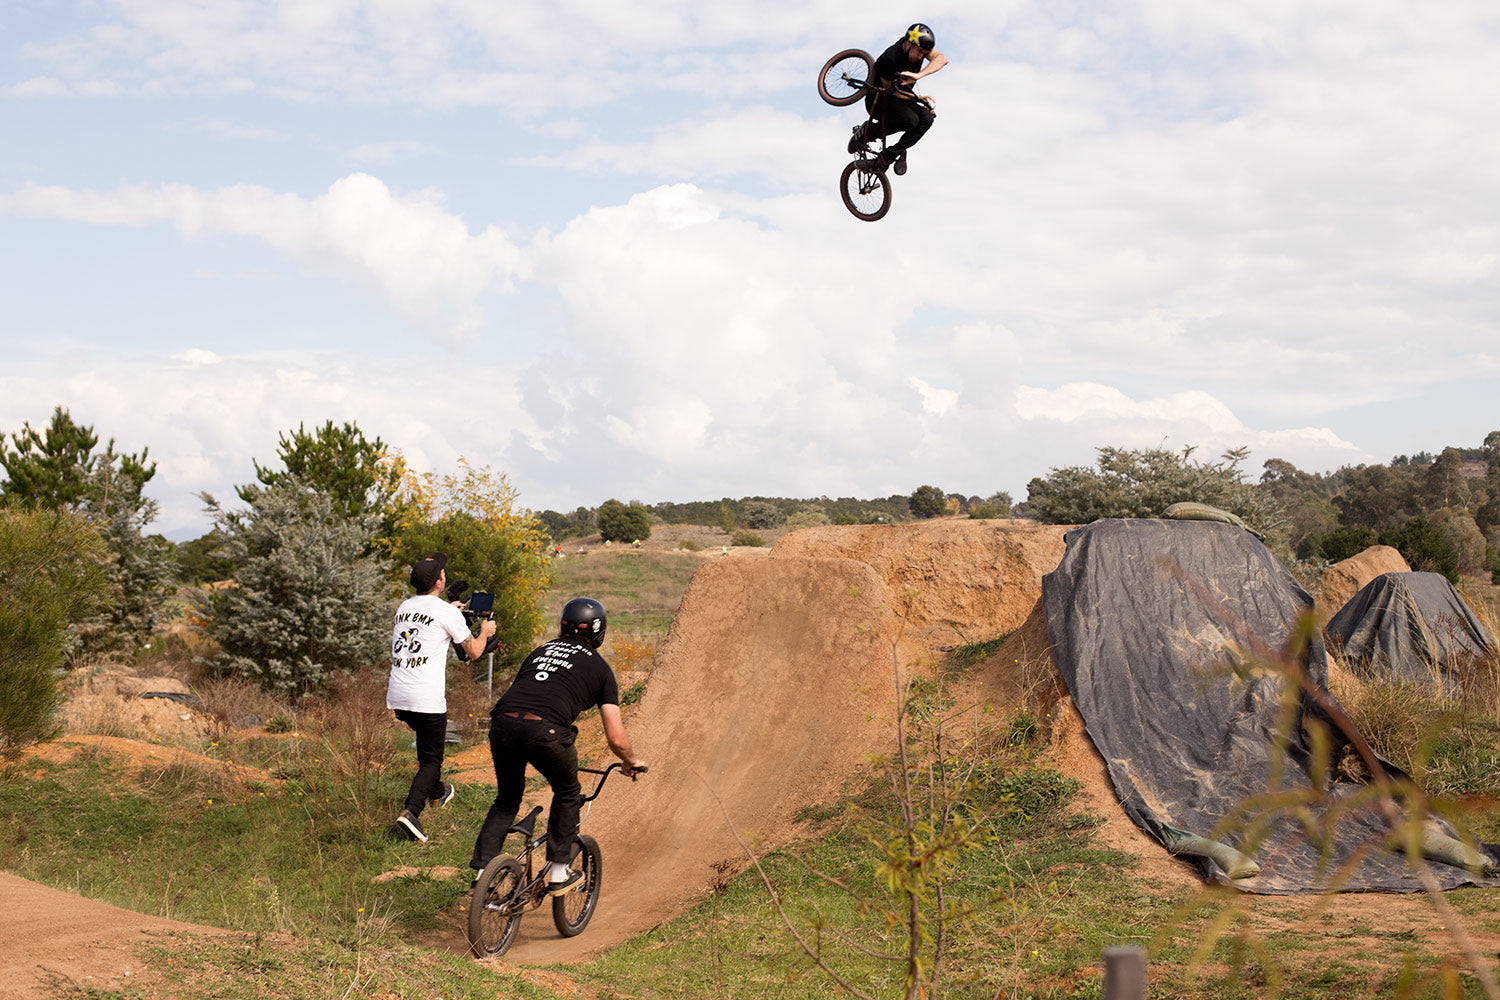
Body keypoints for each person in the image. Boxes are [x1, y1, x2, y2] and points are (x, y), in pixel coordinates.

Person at [469, 597, 646, 893]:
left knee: (507, 799)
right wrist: (630, 761)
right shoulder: (601, 670)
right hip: (546, 731)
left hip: (502, 723)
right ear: (599, 632)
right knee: (567, 791)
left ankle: (483, 872)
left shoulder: (539, 650)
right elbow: (616, 738)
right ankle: (559, 871)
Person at [388, 552, 496, 843]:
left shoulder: (404, 607)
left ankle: (438, 792)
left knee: (426, 745)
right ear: (439, 581)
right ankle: (411, 812)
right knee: (432, 760)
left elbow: (427, 620)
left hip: (398, 695)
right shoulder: (445, 612)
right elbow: (473, 652)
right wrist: (484, 631)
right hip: (425, 696)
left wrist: (449, 609)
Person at [847, 23, 948, 175]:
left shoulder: (919, 49)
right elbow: (892, 92)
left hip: (901, 100)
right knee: (911, 120)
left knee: (927, 118)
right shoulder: (890, 58)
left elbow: (942, 59)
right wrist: (917, 99)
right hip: (879, 100)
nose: (921, 57)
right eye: (919, 52)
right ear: (909, 44)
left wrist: (919, 76)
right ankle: (869, 131)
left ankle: (888, 156)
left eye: (924, 53)